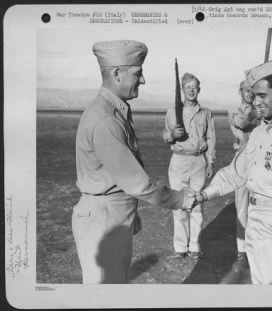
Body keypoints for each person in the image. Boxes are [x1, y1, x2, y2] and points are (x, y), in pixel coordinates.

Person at [73, 40, 193, 284]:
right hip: (105, 220)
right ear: (117, 73)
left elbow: (116, 178)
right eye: (138, 73)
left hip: (111, 215)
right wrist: (181, 199)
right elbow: (137, 184)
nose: (143, 80)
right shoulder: (106, 120)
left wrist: (130, 212)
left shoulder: (114, 111)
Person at [193, 60, 272, 284]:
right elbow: (235, 171)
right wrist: (204, 195)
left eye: (262, 95)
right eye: (253, 96)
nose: (256, 102)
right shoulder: (261, 131)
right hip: (256, 220)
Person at [162, 73, 216, 259]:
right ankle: (180, 247)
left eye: (194, 87)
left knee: (197, 205)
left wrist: (210, 162)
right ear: (182, 90)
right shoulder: (172, 112)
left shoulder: (206, 113)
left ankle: (194, 246)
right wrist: (172, 136)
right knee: (179, 204)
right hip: (179, 161)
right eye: (188, 87)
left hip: (198, 161)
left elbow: (211, 139)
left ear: (199, 89)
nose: (191, 91)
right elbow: (165, 135)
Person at [227, 80, 258, 259]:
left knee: (259, 206)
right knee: (242, 207)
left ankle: (256, 245)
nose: (250, 94)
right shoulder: (233, 112)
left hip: (259, 162)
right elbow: (243, 123)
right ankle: (242, 248)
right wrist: (257, 112)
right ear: (240, 92)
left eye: (253, 91)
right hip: (242, 163)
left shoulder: (261, 111)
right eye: (247, 90)